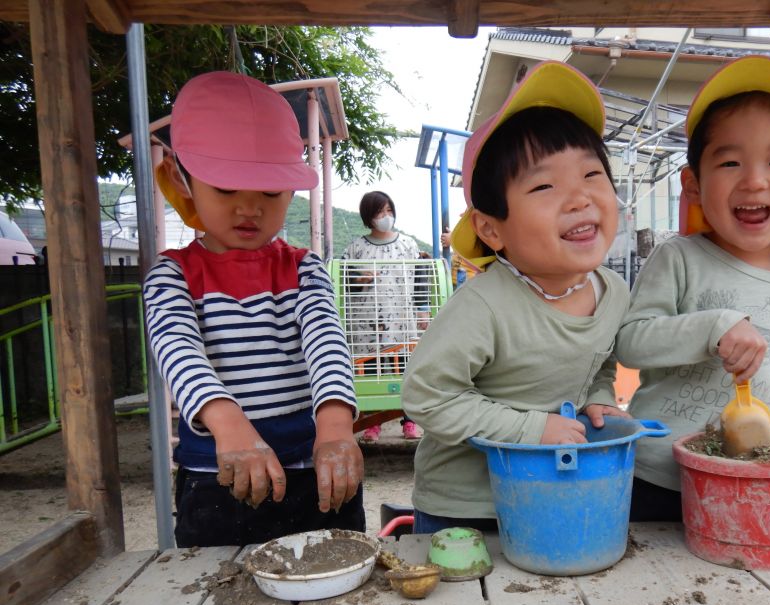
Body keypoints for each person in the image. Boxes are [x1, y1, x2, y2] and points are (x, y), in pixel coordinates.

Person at [401, 61, 631, 534]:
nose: (579, 198)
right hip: (466, 509)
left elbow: (602, 361)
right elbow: (426, 395)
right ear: (491, 228)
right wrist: (532, 429)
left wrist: (600, 396)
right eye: (545, 186)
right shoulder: (484, 307)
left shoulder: (615, 293)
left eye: (592, 175)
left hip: (550, 495)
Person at [143, 71, 364, 547]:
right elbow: (178, 351)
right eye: (225, 189)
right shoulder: (172, 274)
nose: (249, 208)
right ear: (184, 180)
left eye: (269, 191)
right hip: (219, 475)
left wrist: (334, 427)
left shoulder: (304, 268)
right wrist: (229, 426)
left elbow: (326, 343)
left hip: (315, 471)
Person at [616, 55, 770, 522]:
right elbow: (632, 342)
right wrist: (716, 325)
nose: (754, 180)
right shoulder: (680, 258)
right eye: (730, 161)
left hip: (739, 484)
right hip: (649, 476)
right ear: (692, 185)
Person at [342, 191, 427, 442]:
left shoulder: (408, 244)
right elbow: (346, 283)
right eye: (380, 212)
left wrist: (422, 309)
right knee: (370, 371)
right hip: (367, 323)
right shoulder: (356, 249)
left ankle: (410, 421)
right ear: (369, 217)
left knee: (405, 370)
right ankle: (372, 424)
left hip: (401, 320)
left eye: (389, 211)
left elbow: (420, 279)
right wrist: (359, 279)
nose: (386, 216)